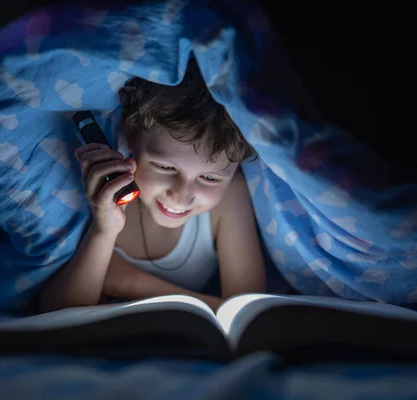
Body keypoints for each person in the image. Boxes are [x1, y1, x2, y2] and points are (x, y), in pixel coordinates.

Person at [39, 58, 266, 313]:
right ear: (131, 136)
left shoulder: (231, 194)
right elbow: (55, 313)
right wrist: (104, 232)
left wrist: (127, 282)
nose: (180, 196)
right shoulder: (103, 187)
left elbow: (249, 313)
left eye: (210, 178)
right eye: (166, 167)